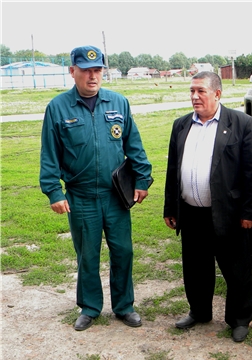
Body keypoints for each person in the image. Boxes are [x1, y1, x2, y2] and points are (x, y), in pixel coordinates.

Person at [39, 45, 153, 331]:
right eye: (87, 70)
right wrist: (54, 191)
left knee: (123, 251)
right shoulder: (58, 108)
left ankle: (124, 306)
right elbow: (49, 154)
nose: (93, 76)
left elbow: (134, 145)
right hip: (81, 196)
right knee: (87, 255)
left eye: (98, 70)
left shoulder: (118, 103)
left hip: (116, 196)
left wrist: (142, 180)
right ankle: (90, 307)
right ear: (72, 71)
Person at [163, 71, 252, 343]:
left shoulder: (241, 123)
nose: (195, 96)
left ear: (217, 93)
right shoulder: (181, 125)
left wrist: (250, 211)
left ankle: (240, 319)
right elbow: (173, 170)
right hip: (191, 211)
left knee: (236, 269)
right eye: (192, 91)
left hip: (228, 213)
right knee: (195, 268)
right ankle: (199, 310)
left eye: (201, 91)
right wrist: (171, 207)